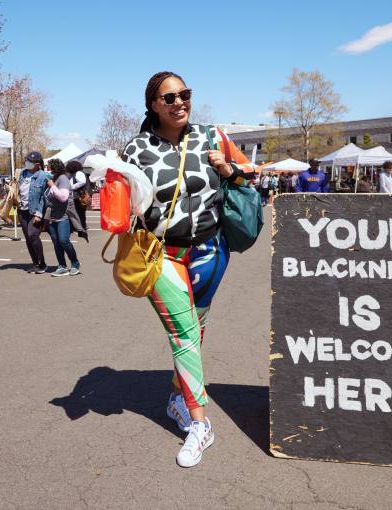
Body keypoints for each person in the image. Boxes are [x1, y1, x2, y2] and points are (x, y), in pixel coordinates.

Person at [121, 71, 252, 468]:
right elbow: (122, 204)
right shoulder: (137, 149)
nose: (179, 103)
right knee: (183, 334)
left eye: (185, 95)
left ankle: (179, 397)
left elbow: (250, 175)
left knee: (196, 332)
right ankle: (200, 424)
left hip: (212, 251)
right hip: (162, 255)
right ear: (153, 105)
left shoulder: (213, 137)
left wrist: (229, 169)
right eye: (169, 98)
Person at [44, 159, 81, 277]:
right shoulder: (53, 179)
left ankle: (75, 264)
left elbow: (63, 197)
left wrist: (52, 186)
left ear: (54, 168)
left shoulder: (63, 179)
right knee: (56, 242)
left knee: (64, 240)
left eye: (48, 168)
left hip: (63, 216)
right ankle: (62, 266)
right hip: (52, 216)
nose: (47, 170)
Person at [18, 151, 49, 273]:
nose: (27, 163)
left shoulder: (43, 176)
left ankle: (42, 263)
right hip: (22, 210)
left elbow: (43, 197)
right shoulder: (22, 173)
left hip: (35, 211)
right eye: (27, 161)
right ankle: (35, 263)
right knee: (28, 238)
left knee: (33, 235)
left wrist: (38, 214)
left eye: (30, 162)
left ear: (37, 164)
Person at [66, 160, 89, 231]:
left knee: (79, 212)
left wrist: (72, 187)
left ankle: (81, 226)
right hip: (78, 196)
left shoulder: (78, 173)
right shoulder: (78, 172)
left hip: (79, 196)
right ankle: (81, 226)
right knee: (79, 212)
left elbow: (82, 182)